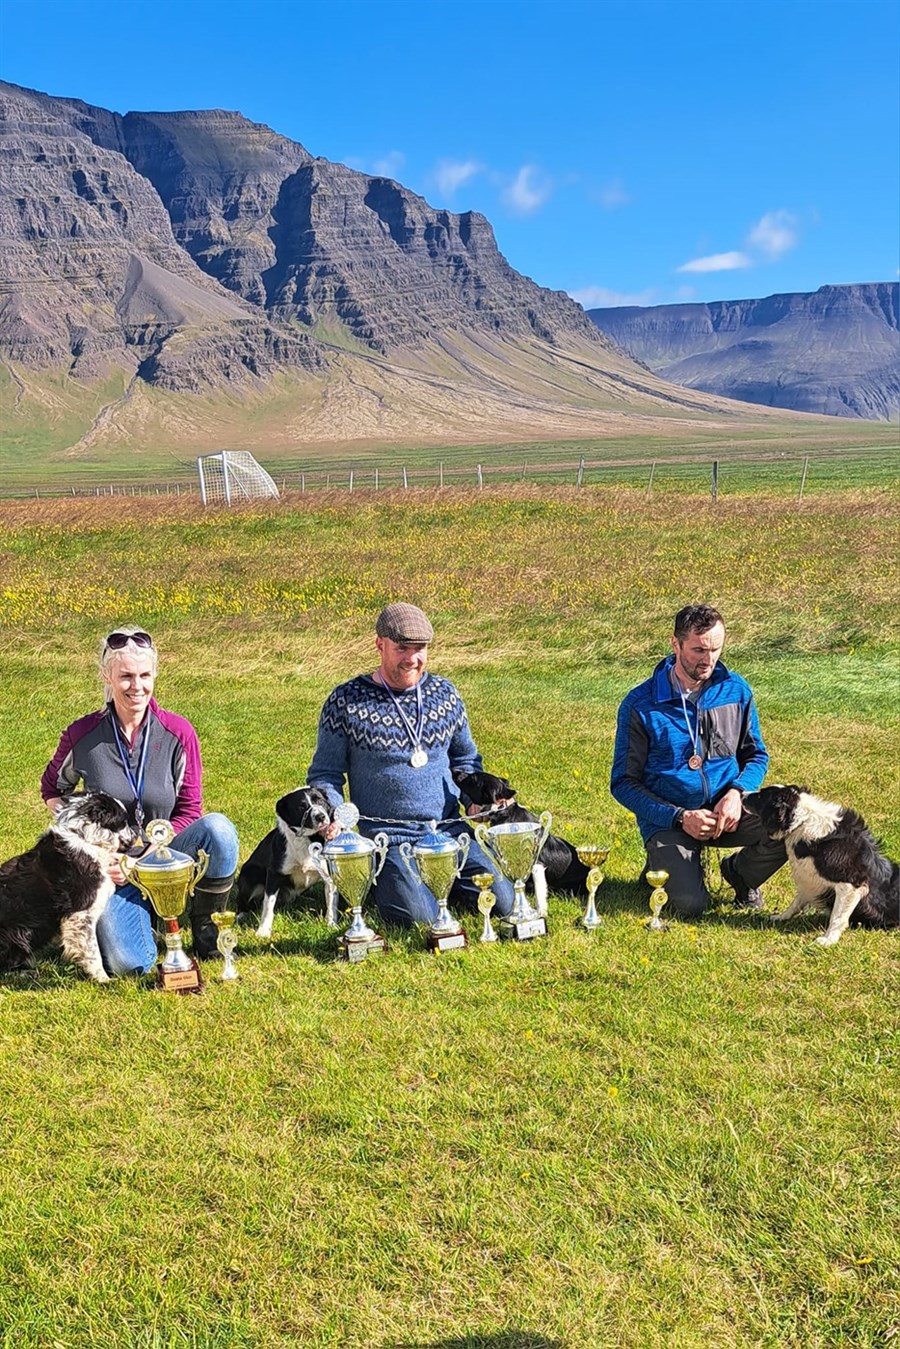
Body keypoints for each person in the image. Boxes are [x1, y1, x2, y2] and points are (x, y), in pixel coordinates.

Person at [41, 626, 239, 973]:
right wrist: (94, 852)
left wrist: (146, 852)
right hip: (114, 870)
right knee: (130, 965)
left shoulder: (179, 732)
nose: (137, 686)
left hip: (167, 853)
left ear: (155, 674)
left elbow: (191, 809)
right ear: (107, 676)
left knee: (219, 830)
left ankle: (205, 929)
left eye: (145, 675)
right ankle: (147, 916)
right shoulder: (82, 734)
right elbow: (52, 790)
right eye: (126, 676)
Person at [307, 602, 515, 927]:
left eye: (420, 649)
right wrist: (335, 816)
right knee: (420, 919)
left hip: (448, 830)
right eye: (402, 648)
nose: (412, 659)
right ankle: (387, 881)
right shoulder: (346, 701)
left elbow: (465, 760)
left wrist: (475, 802)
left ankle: (437, 883)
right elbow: (325, 774)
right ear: (380, 644)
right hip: (388, 837)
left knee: (504, 903)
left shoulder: (445, 694)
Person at [610, 604, 786, 917]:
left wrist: (736, 793)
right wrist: (679, 817)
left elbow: (756, 754)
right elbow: (623, 783)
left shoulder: (736, 691)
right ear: (675, 643)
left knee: (793, 825)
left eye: (716, 649)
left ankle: (741, 875)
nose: (708, 660)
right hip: (671, 819)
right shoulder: (640, 705)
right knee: (690, 906)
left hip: (727, 810)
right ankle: (663, 862)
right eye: (698, 650)